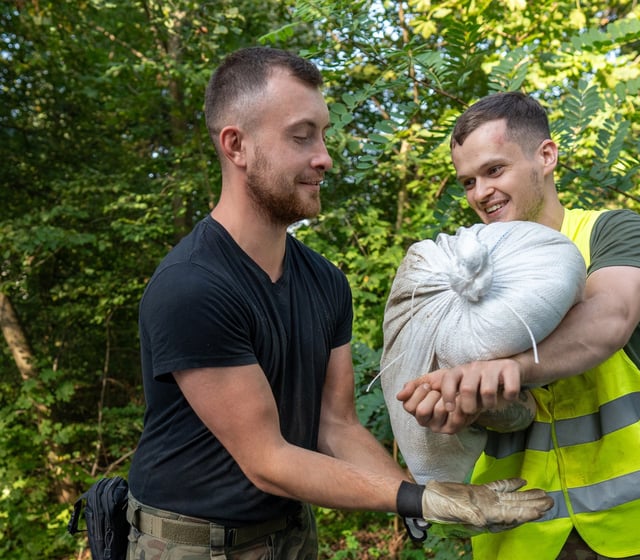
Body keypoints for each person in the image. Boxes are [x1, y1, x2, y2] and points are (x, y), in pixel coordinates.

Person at [126, 48, 553, 560]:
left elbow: (336, 424)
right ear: (237, 146)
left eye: (323, 135)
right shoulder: (192, 287)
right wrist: (418, 498)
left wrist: (418, 503)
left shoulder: (325, 281)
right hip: (191, 544)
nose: (324, 157)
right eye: (301, 136)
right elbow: (267, 460)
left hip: (290, 532)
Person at [397, 91, 640, 560]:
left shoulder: (610, 232)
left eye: (494, 170)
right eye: (468, 181)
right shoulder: (461, 273)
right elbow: (485, 402)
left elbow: (608, 318)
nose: (480, 193)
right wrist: (455, 407)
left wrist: (508, 368)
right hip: (522, 536)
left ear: (546, 156)